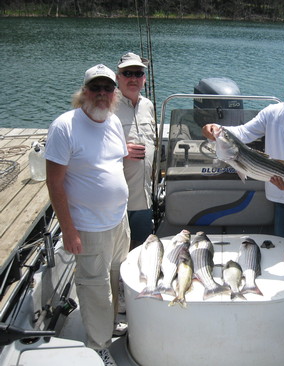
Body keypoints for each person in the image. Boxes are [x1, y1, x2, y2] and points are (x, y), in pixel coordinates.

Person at [202, 62, 284, 320]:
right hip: (281, 197)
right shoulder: (272, 113)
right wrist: (217, 130)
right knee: (281, 247)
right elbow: (243, 133)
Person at [45, 64, 130, 366]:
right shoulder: (64, 126)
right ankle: (98, 345)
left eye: (108, 88)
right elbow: (54, 183)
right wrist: (69, 230)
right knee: (95, 289)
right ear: (84, 93)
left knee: (115, 277)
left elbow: (115, 165)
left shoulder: (114, 122)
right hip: (89, 226)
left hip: (119, 221)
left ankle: (110, 324)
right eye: (96, 88)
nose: (103, 94)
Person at [114, 52, 156, 250]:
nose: (133, 78)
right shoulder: (107, 106)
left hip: (143, 196)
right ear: (118, 78)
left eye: (138, 74)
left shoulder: (148, 105)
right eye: (127, 73)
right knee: (119, 249)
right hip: (116, 200)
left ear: (144, 79)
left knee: (141, 248)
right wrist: (121, 150)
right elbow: (91, 147)